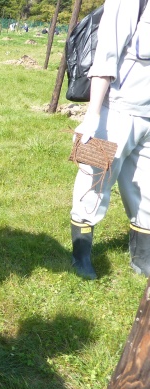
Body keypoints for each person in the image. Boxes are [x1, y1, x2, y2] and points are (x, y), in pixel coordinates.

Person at [71, 0, 150, 279]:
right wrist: (92, 115)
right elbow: (106, 56)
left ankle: (143, 261)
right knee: (94, 182)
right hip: (115, 110)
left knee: (146, 193)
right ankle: (81, 257)